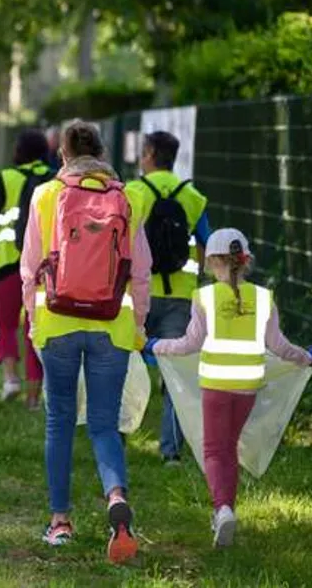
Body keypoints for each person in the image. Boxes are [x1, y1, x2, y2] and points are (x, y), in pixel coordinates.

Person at [20, 120, 150, 563]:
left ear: (63, 156)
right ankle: (116, 498)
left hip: (57, 321)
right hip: (112, 324)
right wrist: (139, 325)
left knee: (59, 420)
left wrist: (33, 322)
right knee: (103, 424)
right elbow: (141, 271)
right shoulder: (127, 197)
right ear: (102, 153)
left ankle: (60, 521)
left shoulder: (45, 195)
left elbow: (29, 267)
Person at [144, 228, 312, 547]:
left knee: (214, 450)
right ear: (246, 260)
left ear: (213, 261)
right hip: (247, 387)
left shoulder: (205, 297)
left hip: (216, 385)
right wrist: (307, 357)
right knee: (229, 447)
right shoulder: (263, 298)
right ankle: (226, 509)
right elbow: (279, 346)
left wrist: (156, 345)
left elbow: (189, 344)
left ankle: (222, 509)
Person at [124, 131, 211, 465]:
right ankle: (171, 451)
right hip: (180, 296)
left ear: (149, 153)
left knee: (124, 365)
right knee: (176, 373)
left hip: (137, 295)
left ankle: (117, 437)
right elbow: (206, 244)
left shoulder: (134, 193)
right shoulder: (193, 197)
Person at [0, 129, 50, 408]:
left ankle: (10, 379)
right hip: (43, 266)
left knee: (5, 324)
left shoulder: (7, 178)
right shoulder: (54, 178)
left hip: (7, 264)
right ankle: (34, 396)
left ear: (18, 151)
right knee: (35, 329)